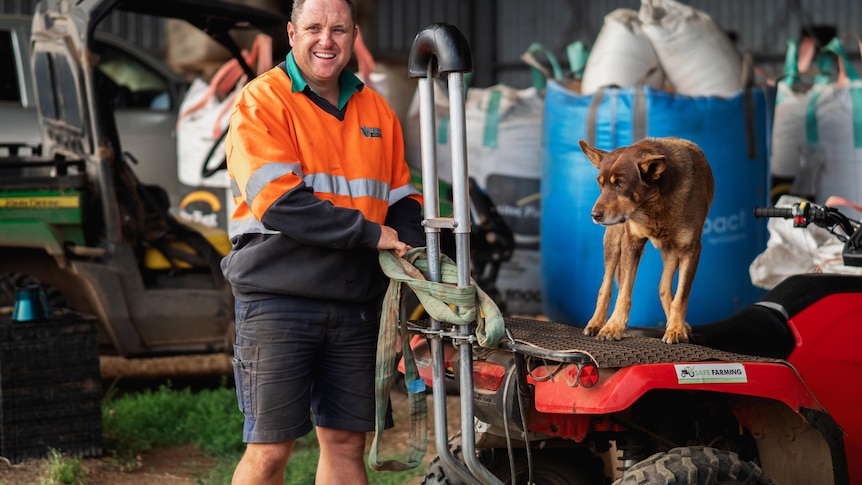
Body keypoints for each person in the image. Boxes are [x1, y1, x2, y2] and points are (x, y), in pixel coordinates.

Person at [220, 0, 424, 482]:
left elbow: (402, 201)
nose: (326, 40)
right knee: (269, 451)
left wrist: (418, 262)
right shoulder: (261, 101)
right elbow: (280, 203)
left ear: (354, 36)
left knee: (347, 445)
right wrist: (371, 234)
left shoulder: (376, 109)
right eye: (313, 28)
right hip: (279, 300)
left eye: (338, 29)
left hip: (356, 302)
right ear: (292, 34)